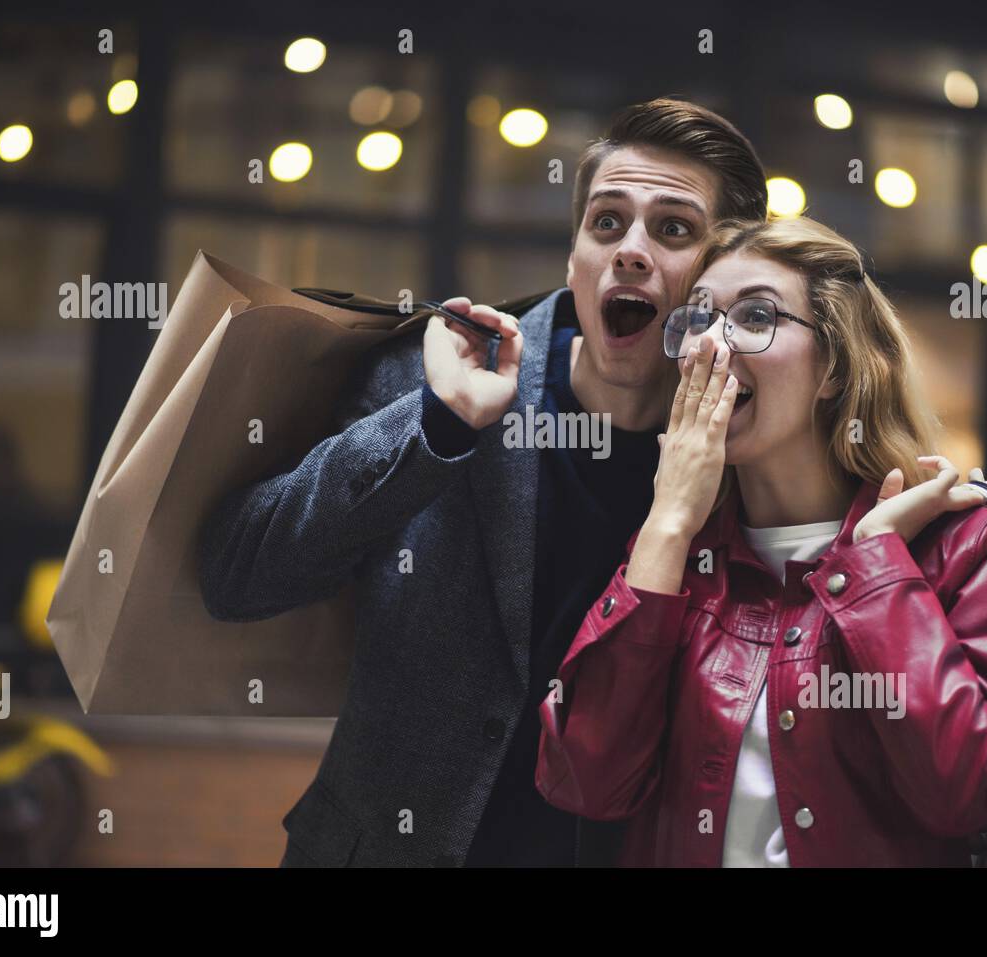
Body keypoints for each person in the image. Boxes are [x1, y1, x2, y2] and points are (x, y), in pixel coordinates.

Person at [198, 98, 770, 866]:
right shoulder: (440, 376)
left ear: (724, 279)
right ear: (574, 258)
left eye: (673, 229)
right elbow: (238, 574)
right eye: (607, 222)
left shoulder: (746, 458)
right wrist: (435, 429)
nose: (630, 250)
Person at [535, 214, 987, 866]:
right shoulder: (676, 552)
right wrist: (667, 522)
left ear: (833, 363)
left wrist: (877, 558)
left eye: (754, 316)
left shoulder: (956, 546)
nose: (711, 346)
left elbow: (968, 791)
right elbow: (586, 779)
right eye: (698, 320)